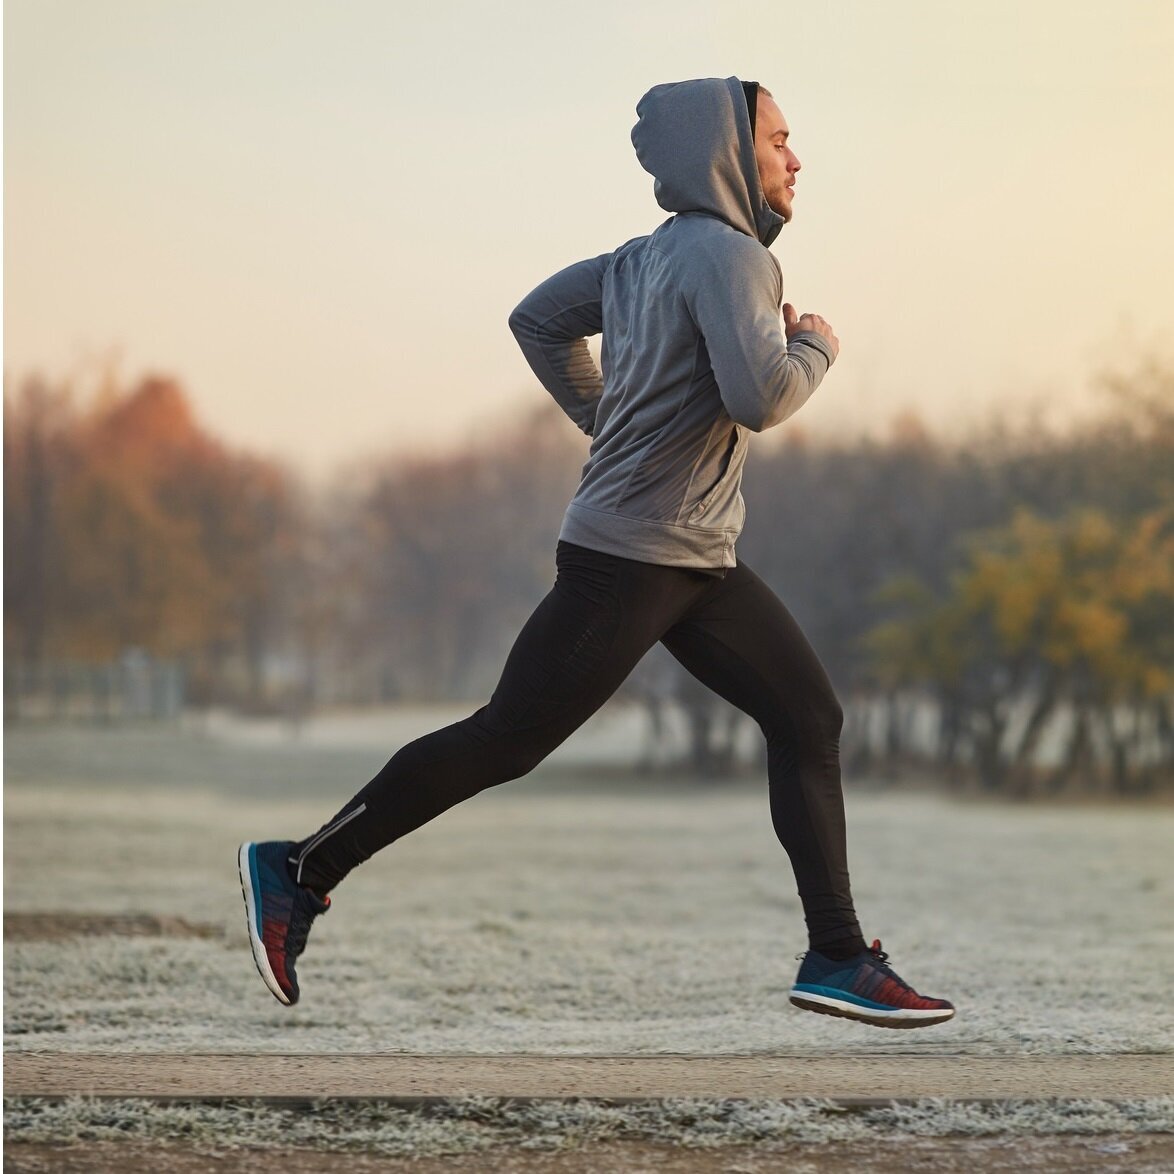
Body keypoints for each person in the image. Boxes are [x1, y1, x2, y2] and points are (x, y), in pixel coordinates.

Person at [239, 77, 955, 1030]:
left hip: (697, 559)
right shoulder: (736, 261)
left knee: (808, 716)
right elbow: (761, 397)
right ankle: (297, 870)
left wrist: (603, 417)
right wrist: (817, 347)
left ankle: (835, 954)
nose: (795, 158)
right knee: (508, 737)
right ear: (729, 154)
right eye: (780, 139)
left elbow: (536, 318)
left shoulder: (643, 259)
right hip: (634, 558)